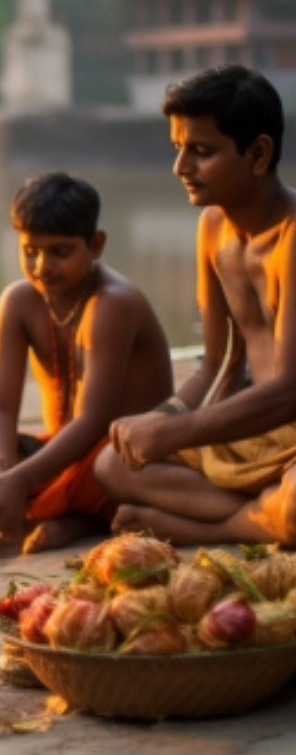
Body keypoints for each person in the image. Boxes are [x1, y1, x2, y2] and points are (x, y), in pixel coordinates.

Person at [96, 64, 296, 548]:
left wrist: (178, 432)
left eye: (201, 152)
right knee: (111, 463)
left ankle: (207, 528)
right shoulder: (212, 228)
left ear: (258, 154)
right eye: (178, 149)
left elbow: (290, 390)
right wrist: (162, 418)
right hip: (248, 431)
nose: (180, 167)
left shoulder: (292, 238)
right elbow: (218, 362)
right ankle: (260, 516)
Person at [0, 171, 174, 554]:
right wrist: (2, 473)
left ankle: (78, 518)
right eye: (30, 250)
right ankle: (25, 504)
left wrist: (21, 480)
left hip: (117, 454)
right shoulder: (18, 302)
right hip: (59, 456)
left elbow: (92, 421)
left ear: (95, 245)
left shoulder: (113, 303)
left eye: (59, 252)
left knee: (106, 467)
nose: (42, 265)